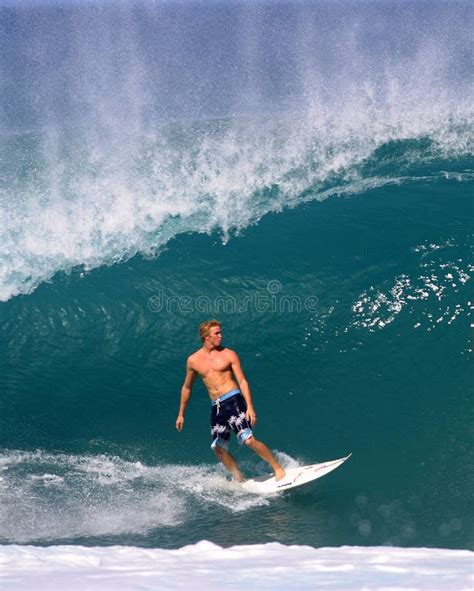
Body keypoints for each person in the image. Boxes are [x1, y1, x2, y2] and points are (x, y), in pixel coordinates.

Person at [176, 320, 286, 482]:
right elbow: (187, 387)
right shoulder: (193, 360)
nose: (221, 336)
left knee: (248, 440)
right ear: (206, 337)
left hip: (233, 400)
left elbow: (242, 381)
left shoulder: (229, 354)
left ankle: (277, 468)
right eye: (217, 333)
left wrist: (250, 406)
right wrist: (181, 414)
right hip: (217, 406)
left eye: (220, 332)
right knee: (218, 448)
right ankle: (239, 477)